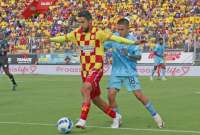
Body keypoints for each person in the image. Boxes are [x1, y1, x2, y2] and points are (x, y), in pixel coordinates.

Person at [49, 10, 144, 129]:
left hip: (96, 67)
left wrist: (133, 42)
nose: (81, 24)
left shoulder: (98, 33)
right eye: (79, 22)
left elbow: (117, 39)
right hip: (85, 70)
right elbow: (63, 38)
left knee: (85, 88)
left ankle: (82, 119)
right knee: (95, 99)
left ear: (90, 21)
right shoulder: (76, 33)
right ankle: (116, 116)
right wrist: (50, 39)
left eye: (83, 22)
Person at [104, 18, 165, 128]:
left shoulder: (133, 40)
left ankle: (156, 116)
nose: (119, 32)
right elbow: (103, 46)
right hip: (116, 72)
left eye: (121, 29)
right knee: (110, 95)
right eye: (118, 29)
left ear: (128, 29)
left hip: (129, 72)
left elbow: (139, 57)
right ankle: (117, 118)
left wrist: (128, 54)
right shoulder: (114, 38)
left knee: (139, 95)